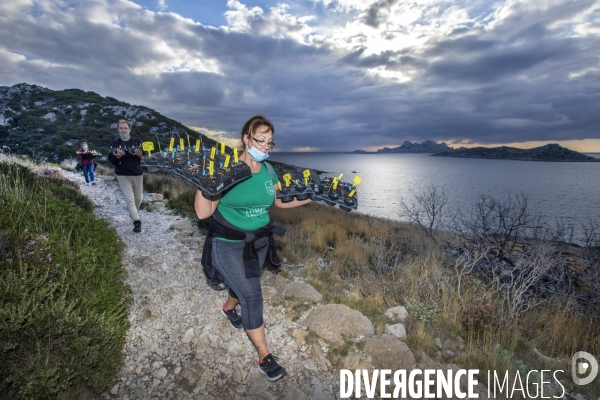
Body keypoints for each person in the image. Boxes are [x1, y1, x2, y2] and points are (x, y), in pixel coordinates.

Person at [195, 114, 312, 382]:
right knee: (252, 294)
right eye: (261, 141)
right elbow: (203, 213)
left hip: (259, 242)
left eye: (270, 143)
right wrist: (205, 180)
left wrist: (310, 198)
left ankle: (227, 308)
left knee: (242, 284)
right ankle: (264, 356)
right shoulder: (228, 170)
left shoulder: (269, 170)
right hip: (228, 242)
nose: (266, 147)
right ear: (246, 138)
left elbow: (279, 202)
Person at [108, 119, 144, 233]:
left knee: (139, 199)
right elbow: (112, 160)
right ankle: (136, 221)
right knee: (130, 200)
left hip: (137, 173)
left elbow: (146, 157)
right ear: (118, 129)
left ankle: (132, 213)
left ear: (130, 129)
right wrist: (118, 157)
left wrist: (140, 154)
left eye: (125, 128)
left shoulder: (137, 142)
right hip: (122, 174)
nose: (123, 130)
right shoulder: (114, 144)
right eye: (121, 128)